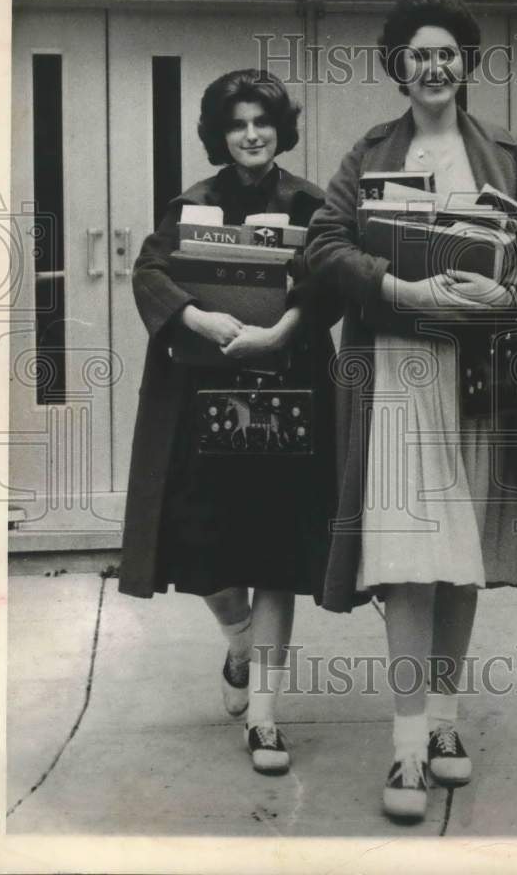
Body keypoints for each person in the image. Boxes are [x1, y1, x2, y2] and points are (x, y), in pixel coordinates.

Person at [305, 0, 517, 821]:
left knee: (462, 550)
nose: (433, 66)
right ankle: (405, 750)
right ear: (397, 66)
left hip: (485, 370)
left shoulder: (507, 152)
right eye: (417, 53)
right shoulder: (368, 153)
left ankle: (445, 723)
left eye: (447, 53)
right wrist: (394, 282)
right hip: (399, 368)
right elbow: (326, 244)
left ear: (464, 65)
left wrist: (507, 291)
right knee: (407, 555)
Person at [119, 68, 340, 776]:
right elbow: (150, 274)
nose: (251, 134)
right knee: (204, 543)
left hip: (289, 386)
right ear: (220, 134)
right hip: (207, 394)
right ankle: (240, 641)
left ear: (280, 129)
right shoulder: (193, 204)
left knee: (278, 551)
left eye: (262, 122)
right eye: (238, 124)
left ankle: (268, 718)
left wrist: (283, 332)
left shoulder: (311, 204)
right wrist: (197, 316)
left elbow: (332, 282)